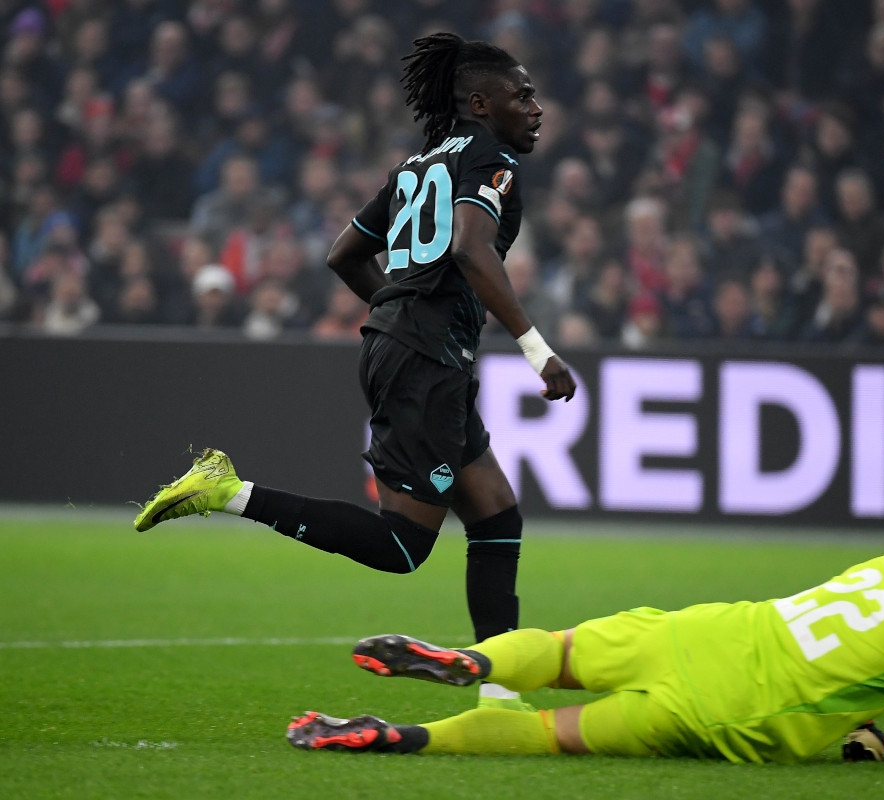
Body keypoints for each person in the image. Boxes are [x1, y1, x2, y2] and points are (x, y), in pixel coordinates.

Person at [133, 32, 576, 712]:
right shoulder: (490, 157)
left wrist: (400, 311)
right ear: (482, 104)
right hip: (424, 362)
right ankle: (228, 492)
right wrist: (537, 350)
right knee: (401, 546)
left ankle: (502, 695)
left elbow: (343, 254)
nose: (537, 108)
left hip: (412, 352)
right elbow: (469, 248)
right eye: (524, 95)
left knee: (495, 514)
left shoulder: (415, 165)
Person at [285, 504, 884, 772]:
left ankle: (468, 658)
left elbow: (849, 652)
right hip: (718, 710)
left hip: (700, 630)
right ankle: (407, 737)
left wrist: (854, 724)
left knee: (557, 649)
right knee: (547, 732)